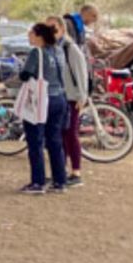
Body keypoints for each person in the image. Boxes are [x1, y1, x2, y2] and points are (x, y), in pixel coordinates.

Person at [19, 23, 69, 195]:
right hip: (59, 98)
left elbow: (25, 75)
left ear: (39, 36)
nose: (29, 36)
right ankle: (60, 181)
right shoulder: (58, 51)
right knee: (55, 141)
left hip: (41, 100)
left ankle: (38, 181)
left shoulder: (36, 53)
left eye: (31, 33)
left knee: (35, 141)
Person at [47, 15, 89, 187]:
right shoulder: (51, 48)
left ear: (62, 29)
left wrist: (82, 96)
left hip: (71, 97)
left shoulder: (70, 48)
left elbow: (81, 73)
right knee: (59, 135)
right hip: (58, 96)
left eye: (54, 28)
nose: (50, 32)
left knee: (71, 134)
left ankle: (76, 172)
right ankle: (60, 170)